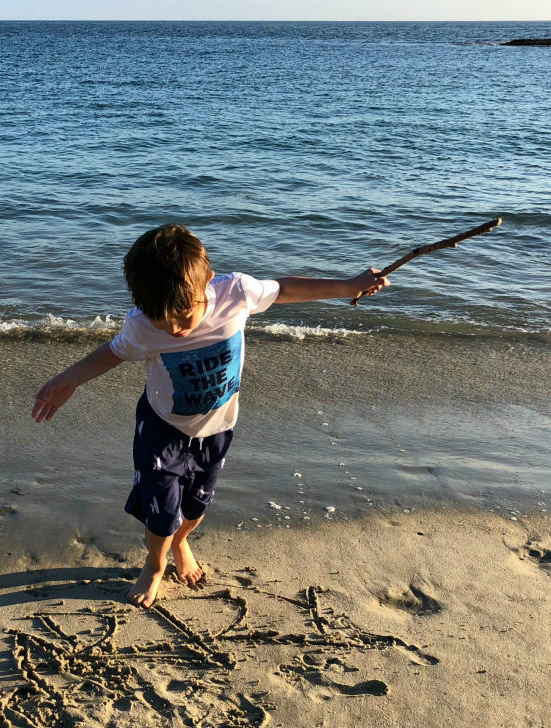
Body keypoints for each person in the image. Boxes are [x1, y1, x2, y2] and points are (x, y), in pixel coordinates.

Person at [31, 224, 388, 608]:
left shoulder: (235, 292)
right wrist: (69, 379)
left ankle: (182, 543)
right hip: (161, 427)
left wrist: (348, 286)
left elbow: (283, 289)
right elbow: (114, 352)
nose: (175, 330)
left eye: (183, 316)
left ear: (209, 284)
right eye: (162, 321)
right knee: (160, 510)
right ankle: (154, 563)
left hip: (218, 427)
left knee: (196, 506)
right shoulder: (140, 325)